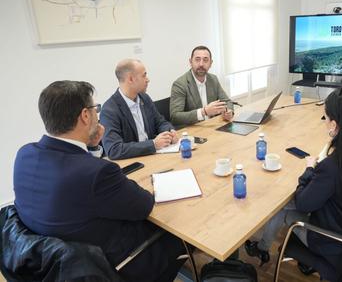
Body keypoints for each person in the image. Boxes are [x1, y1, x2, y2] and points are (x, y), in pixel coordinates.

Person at [13, 81, 185, 282]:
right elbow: (144, 205)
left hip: (48, 264)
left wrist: (92, 147)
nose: (98, 114)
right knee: (178, 226)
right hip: (114, 265)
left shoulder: (24, 154)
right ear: (85, 116)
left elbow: (79, 171)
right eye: (96, 109)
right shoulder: (97, 173)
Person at [244, 87, 342, 279]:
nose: (325, 122)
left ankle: (262, 247)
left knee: (282, 206)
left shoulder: (333, 166)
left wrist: (310, 169)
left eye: (326, 118)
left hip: (335, 240)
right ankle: (262, 246)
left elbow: (304, 203)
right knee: (286, 202)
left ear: (334, 124)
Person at [100, 59, 178, 160]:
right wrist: (153, 144)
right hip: (133, 162)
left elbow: (160, 122)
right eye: (144, 75)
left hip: (153, 157)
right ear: (131, 79)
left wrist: (169, 132)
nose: (147, 79)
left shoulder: (144, 98)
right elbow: (114, 149)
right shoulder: (109, 110)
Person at [170, 45, 233, 126]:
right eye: (197, 59)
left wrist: (229, 112)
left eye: (205, 60)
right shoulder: (180, 84)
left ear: (211, 63)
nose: (201, 64)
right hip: (194, 131)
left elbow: (227, 101)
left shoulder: (213, 79)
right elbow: (175, 117)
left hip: (213, 126)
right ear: (190, 62)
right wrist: (204, 112)